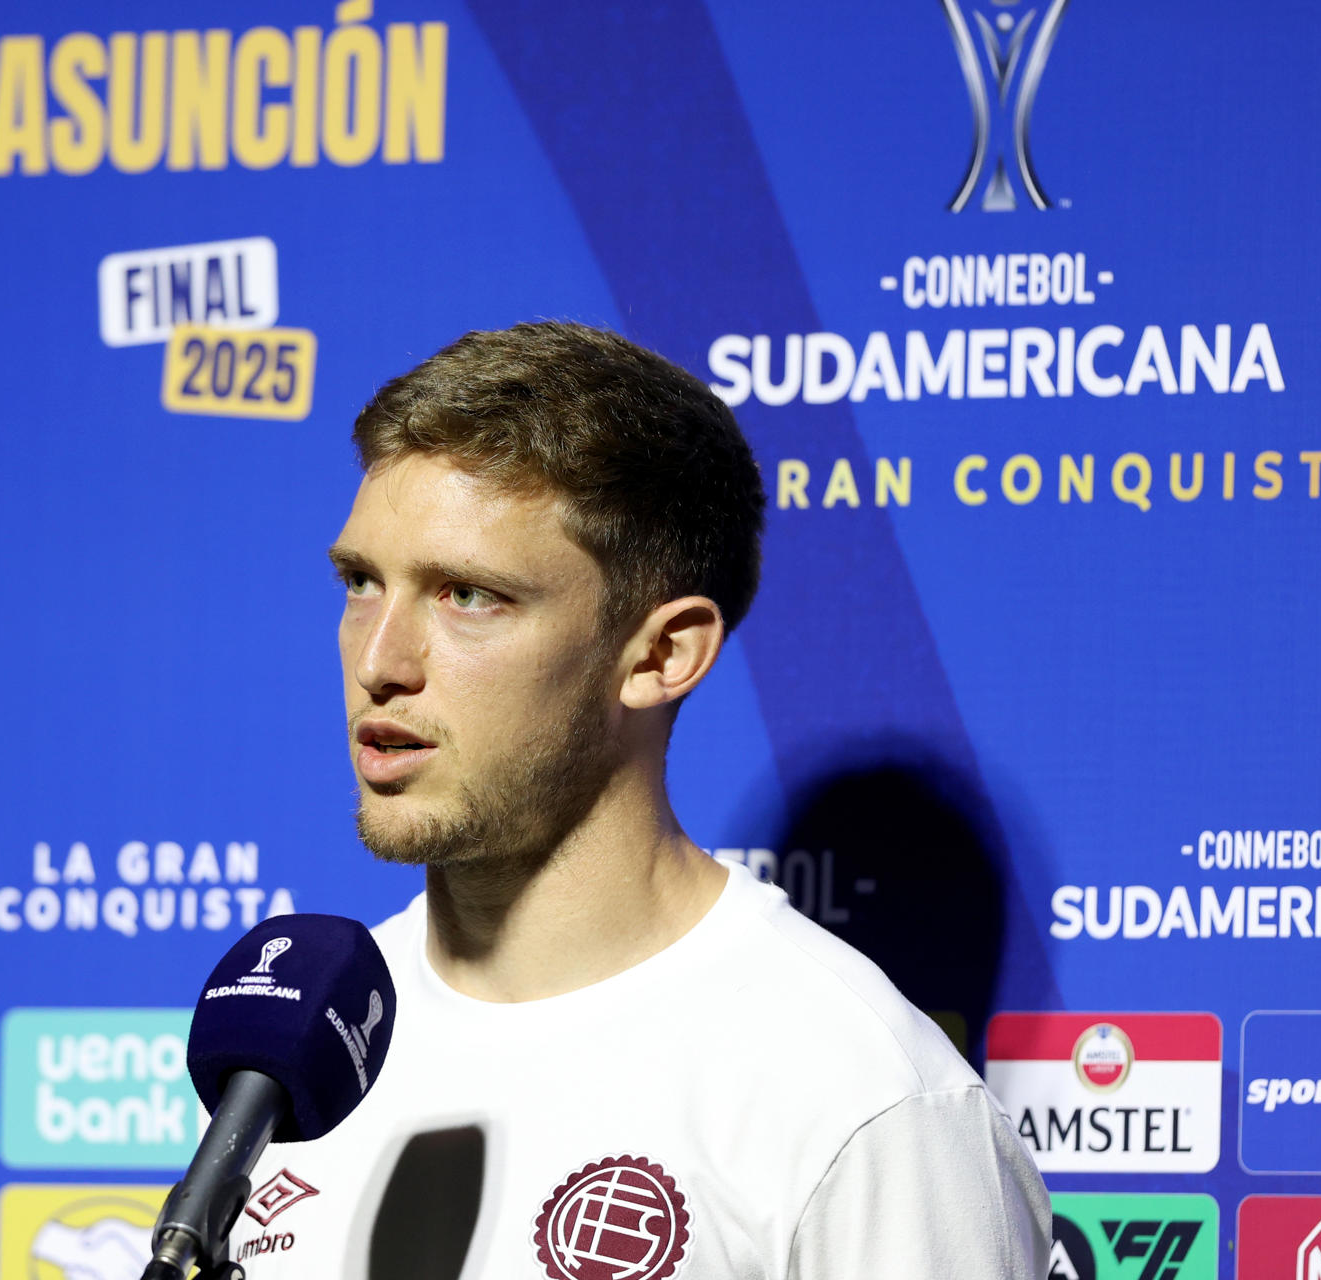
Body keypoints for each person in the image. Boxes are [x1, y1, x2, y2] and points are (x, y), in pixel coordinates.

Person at [227, 322, 1050, 1279]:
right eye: (362, 583)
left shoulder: (861, 1101)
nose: (379, 662)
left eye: (468, 596)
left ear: (662, 655)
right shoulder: (305, 1041)